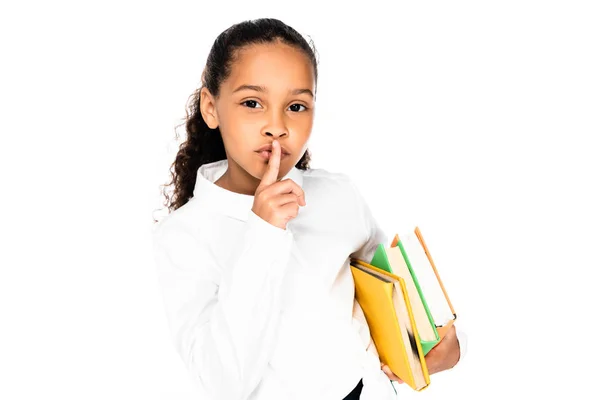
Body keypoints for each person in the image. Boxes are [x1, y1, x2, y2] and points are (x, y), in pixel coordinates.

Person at [151, 17, 465, 400]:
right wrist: (262, 232)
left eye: (296, 106)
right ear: (211, 107)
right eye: (252, 103)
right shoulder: (183, 237)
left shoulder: (337, 195)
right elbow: (224, 382)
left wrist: (441, 348)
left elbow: (394, 299)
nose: (277, 127)